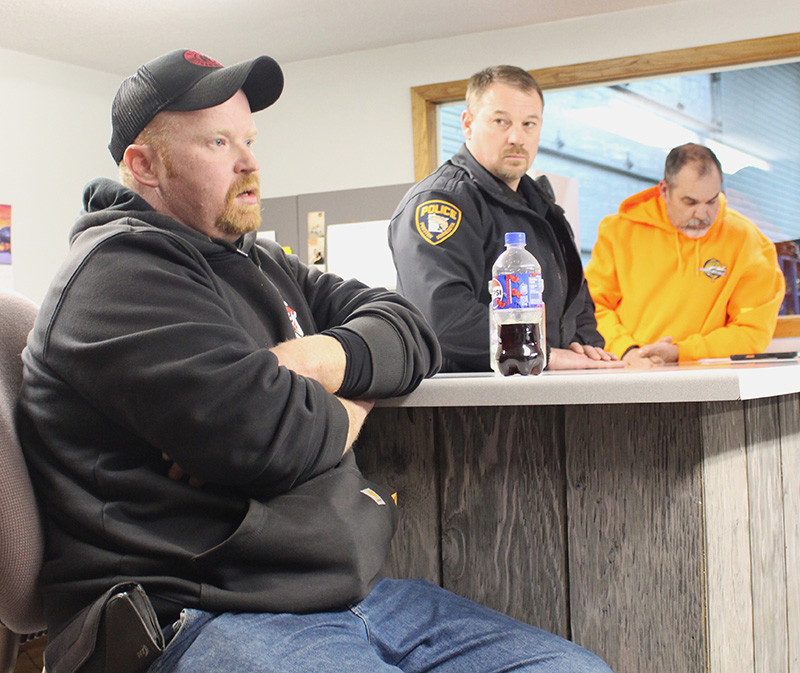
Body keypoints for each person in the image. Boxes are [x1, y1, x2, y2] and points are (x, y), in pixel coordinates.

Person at [17, 49, 612, 672]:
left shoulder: (260, 261)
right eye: (219, 142)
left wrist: (319, 360)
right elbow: (270, 438)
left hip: (348, 597)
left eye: (249, 140)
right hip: (198, 610)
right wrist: (358, 393)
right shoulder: (115, 275)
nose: (249, 162)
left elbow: (409, 326)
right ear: (145, 165)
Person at [388, 65, 621, 373]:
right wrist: (544, 353)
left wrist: (584, 347)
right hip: (467, 394)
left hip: (543, 387)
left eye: (529, 124)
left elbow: (577, 304)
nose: (517, 137)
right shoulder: (441, 204)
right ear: (468, 124)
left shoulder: (544, 209)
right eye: (501, 121)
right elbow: (443, 319)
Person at [585, 143, 785, 367]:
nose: (702, 214)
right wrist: (627, 351)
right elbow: (592, 306)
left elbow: (752, 330)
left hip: (708, 376)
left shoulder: (749, 242)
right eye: (690, 202)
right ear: (664, 191)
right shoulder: (619, 232)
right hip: (628, 369)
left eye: (712, 201)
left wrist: (681, 352)